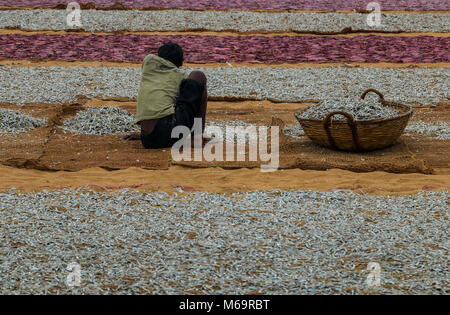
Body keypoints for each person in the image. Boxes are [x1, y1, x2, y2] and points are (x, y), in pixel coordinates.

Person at [124, 42, 209, 148]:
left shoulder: (147, 64)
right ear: (180, 63)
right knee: (198, 76)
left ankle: (152, 133)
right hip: (168, 133)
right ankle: (197, 136)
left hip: (147, 140)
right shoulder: (181, 76)